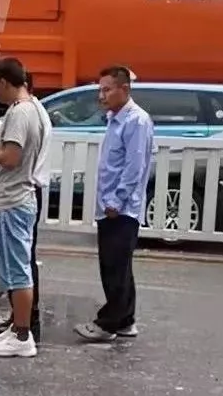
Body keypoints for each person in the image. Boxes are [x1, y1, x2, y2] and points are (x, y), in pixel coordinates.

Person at [0, 57, 49, 358]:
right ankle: (16, 329)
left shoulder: (21, 112)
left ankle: (23, 335)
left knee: (18, 271)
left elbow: (11, 158)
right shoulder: (28, 109)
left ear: (3, 82)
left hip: (15, 200)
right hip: (13, 198)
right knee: (10, 270)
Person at [74, 65, 153, 342]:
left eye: (107, 90)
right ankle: (126, 321)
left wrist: (117, 199)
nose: (101, 95)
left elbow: (134, 166)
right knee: (118, 265)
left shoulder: (136, 121)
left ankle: (107, 324)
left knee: (114, 267)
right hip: (111, 204)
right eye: (100, 89)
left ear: (124, 89)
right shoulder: (116, 118)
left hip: (121, 207)